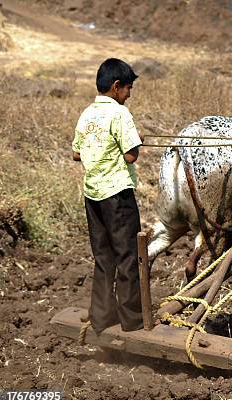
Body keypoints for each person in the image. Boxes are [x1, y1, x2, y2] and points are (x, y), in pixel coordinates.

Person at [72, 58, 144, 333]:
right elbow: (131, 155)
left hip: (93, 196)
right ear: (116, 87)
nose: (129, 94)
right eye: (128, 88)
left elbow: (76, 153)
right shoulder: (119, 114)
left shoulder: (87, 113)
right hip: (117, 195)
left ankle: (101, 317)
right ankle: (132, 320)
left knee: (103, 257)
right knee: (127, 256)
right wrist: (132, 143)